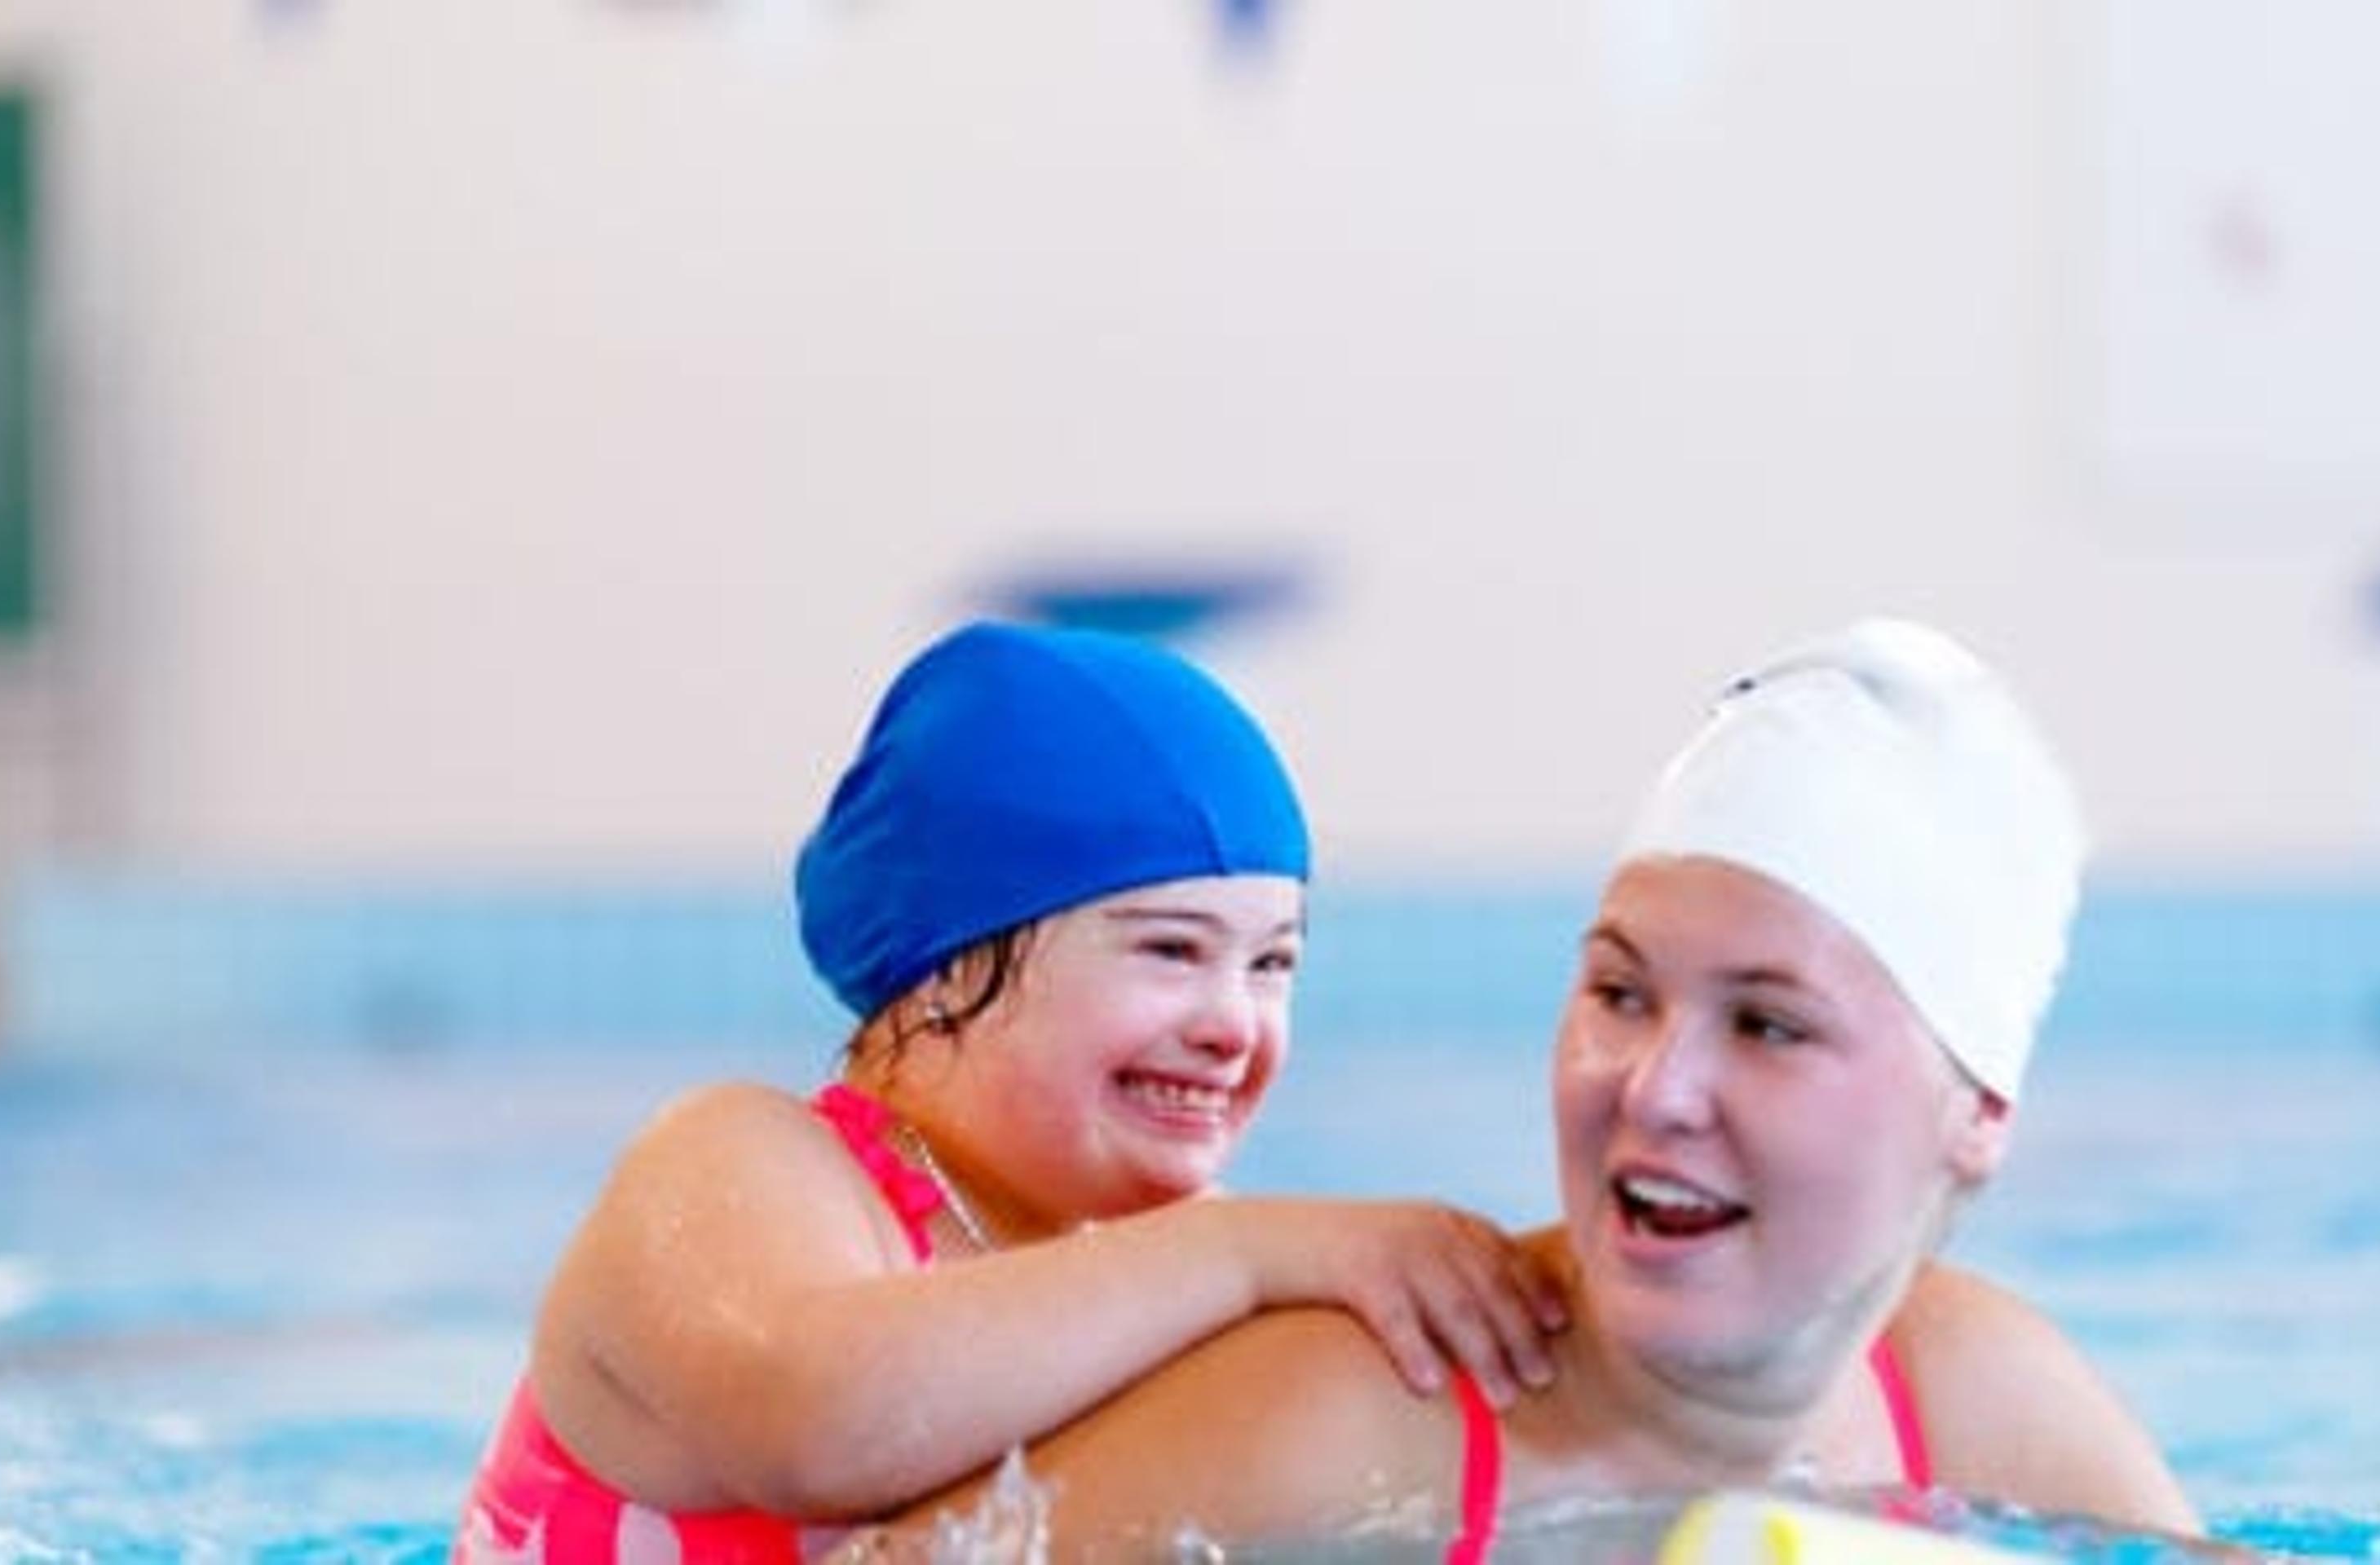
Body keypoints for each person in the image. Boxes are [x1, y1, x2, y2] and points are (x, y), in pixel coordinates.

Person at [876, 618, 2203, 1559]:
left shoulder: (1977, 1402)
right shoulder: (1353, 1421)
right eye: (1621, 996)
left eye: (1768, 1026)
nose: (1657, 1089)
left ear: (1975, 1117)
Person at [455, 619, 1570, 1563]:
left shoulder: (1184, 1269)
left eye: (1273, 963)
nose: (1237, 1024)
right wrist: (1245, 1258)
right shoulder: (738, 1164)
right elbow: (816, 1423)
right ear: (945, 962)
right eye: (1172, 952)